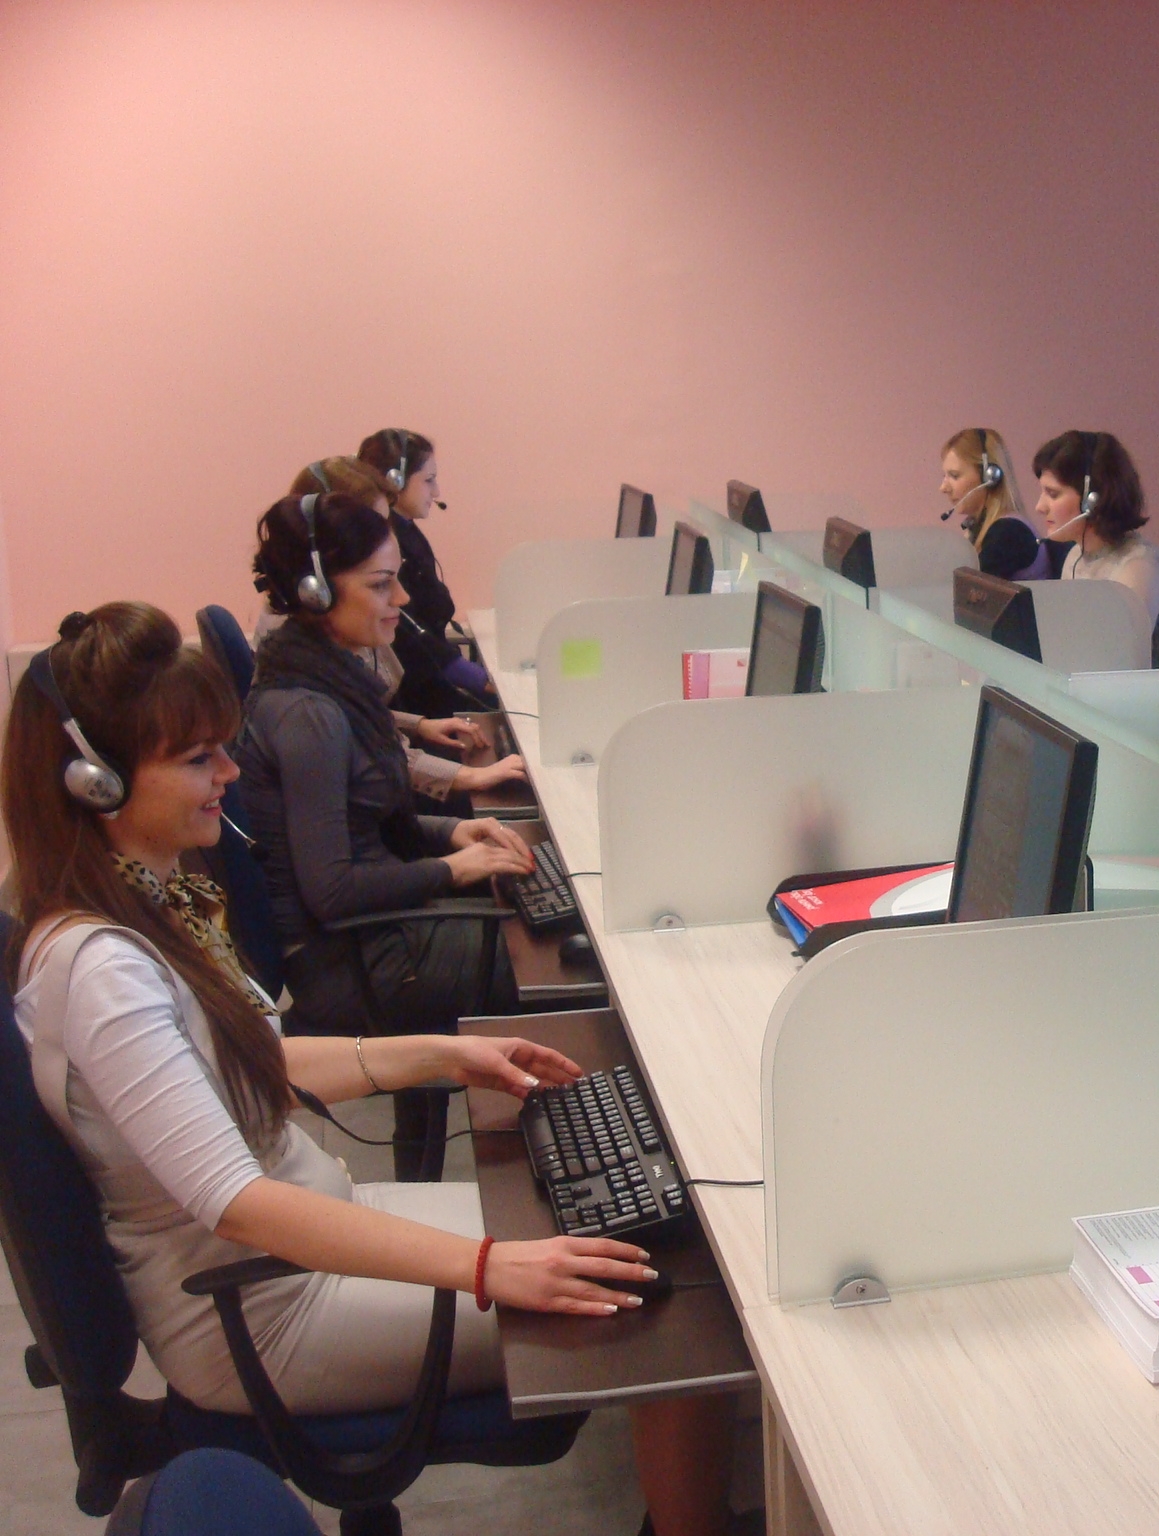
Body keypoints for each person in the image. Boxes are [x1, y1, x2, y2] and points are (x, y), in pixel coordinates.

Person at [6, 603, 732, 1535]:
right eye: (197, 759)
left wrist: (445, 1054)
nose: (230, 772)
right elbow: (238, 1203)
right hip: (261, 1307)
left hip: (298, 1240)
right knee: (669, 1311)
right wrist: (490, 1268)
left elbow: (252, 1060)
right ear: (96, 784)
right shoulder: (102, 972)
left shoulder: (144, 902)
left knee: (624, 1228)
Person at [233, 489, 533, 1054]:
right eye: (379, 584)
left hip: (376, 934)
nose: (401, 597)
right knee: (551, 960)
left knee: (538, 922)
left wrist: (452, 831)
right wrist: (451, 869)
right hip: (357, 962)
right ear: (317, 592)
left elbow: (359, 822)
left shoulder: (323, 676)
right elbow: (333, 890)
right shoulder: (309, 714)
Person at [287, 457, 526, 807]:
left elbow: (361, 716)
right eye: (374, 527)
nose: (401, 598)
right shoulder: (305, 680)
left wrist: (418, 725)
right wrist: (467, 777)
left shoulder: (338, 631)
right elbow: (366, 745)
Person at [357, 428, 500, 714]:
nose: (436, 492)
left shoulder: (407, 532)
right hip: (420, 693)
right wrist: (476, 678)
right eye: (428, 480)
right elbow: (411, 639)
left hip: (429, 682)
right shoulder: (389, 546)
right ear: (395, 481)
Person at [1033, 430, 1159, 667]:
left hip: (1138, 691)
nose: (1039, 506)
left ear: (1093, 500)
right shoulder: (1076, 556)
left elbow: (1111, 666)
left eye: (1053, 494)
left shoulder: (1138, 568)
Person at [940, 427, 1050, 579]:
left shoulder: (1008, 532)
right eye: (944, 476)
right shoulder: (980, 528)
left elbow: (970, 590)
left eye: (954, 476)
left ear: (989, 477)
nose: (943, 488)